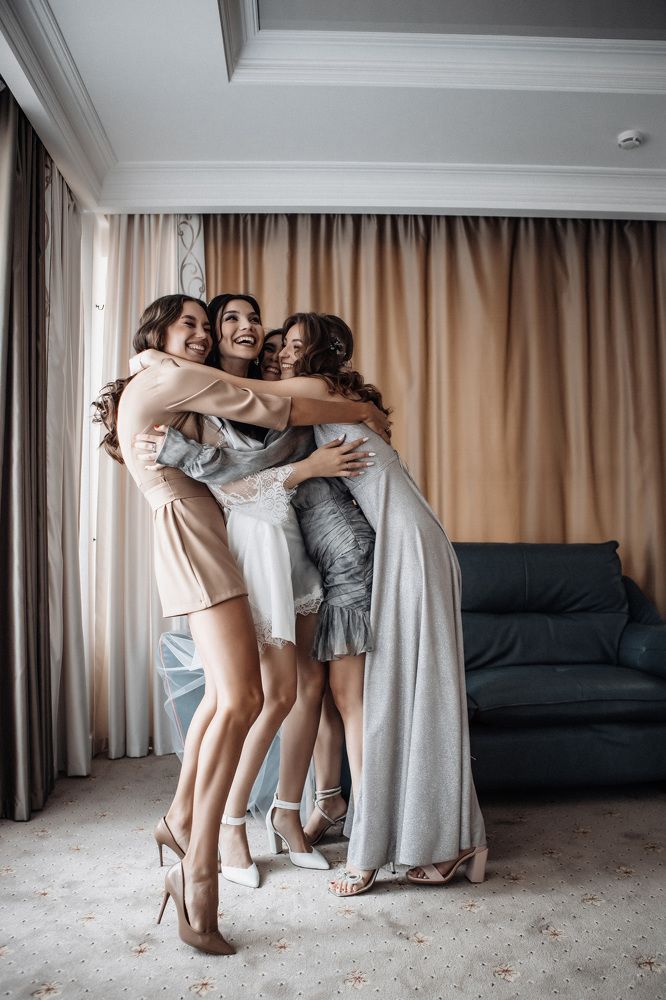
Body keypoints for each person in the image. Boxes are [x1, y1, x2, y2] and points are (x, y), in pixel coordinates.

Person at [132, 309, 487, 898]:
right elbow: (254, 447)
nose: (281, 354)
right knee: (346, 695)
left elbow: (253, 412)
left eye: (293, 345)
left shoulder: (313, 393)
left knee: (359, 698)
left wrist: (163, 370)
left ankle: (369, 841)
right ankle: (336, 814)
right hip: (337, 551)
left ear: (321, 352)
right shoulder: (312, 401)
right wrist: (164, 368)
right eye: (279, 346)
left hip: (373, 551)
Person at [92, 295, 390, 954]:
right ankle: (199, 866)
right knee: (243, 698)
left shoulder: (165, 377)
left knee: (241, 698)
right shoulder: (170, 378)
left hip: (204, 533)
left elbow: (266, 415)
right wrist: (359, 410)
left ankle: (184, 827)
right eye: (191, 324)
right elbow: (276, 408)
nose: (203, 335)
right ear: (157, 333)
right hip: (195, 533)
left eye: (207, 324)